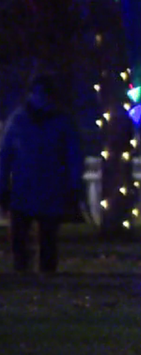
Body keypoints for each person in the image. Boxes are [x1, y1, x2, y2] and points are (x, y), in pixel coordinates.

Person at [0, 76, 84, 273]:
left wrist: (73, 186)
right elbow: (5, 156)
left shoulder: (61, 123)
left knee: (48, 239)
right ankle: (22, 270)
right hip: (24, 188)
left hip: (50, 189)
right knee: (19, 238)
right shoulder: (18, 121)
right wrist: (3, 186)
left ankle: (46, 272)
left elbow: (73, 157)